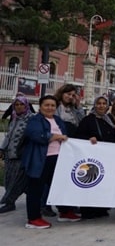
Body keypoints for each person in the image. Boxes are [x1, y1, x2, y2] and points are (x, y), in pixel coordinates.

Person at [22, 95, 79, 228]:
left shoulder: (58, 120)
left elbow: (66, 136)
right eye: (46, 105)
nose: (50, 108)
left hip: (58, 158)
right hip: (40, 159)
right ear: (40, 106)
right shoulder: (35, 120)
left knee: (60, 186)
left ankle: (65, 212)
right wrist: (55, 136)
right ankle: (33, 218)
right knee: (36, 189)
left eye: (53, 105)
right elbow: (35, 135)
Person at [0, 95, 34, 214]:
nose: (19, 107)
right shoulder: (14, 118)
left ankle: (9, 202)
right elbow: (9, 136)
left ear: (26, 105)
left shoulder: (31, 119)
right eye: (16, 105)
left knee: (17, 180)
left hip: (21, 155)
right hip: (10, 154)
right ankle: (35, 199)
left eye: (22, 104)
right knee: (9, 179)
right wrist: (2, 149)